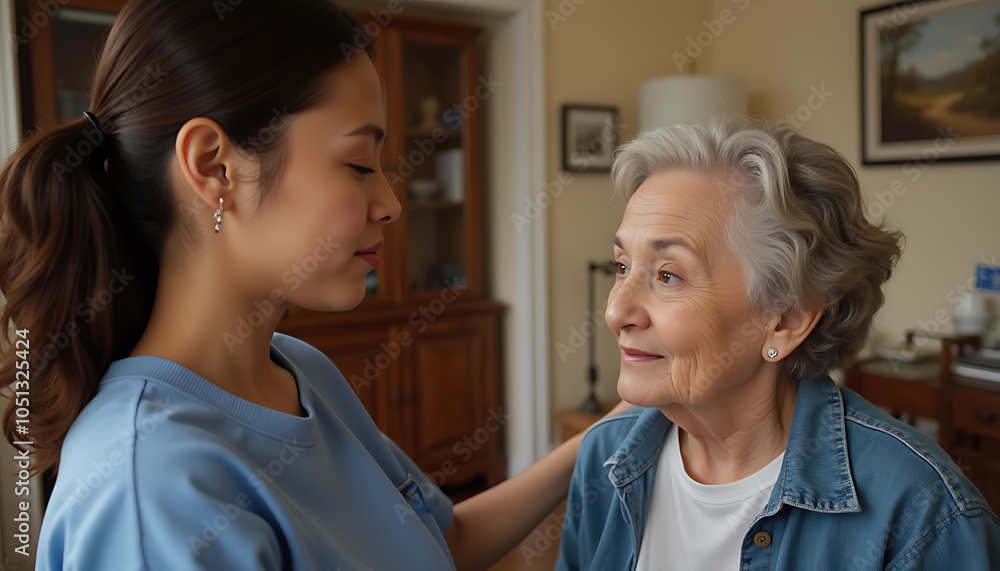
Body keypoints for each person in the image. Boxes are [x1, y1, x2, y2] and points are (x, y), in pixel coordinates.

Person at [0, 1, 625, 568]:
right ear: (214, 166)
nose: (390, 203)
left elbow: (446, 542)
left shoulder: (302, 371)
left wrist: (615, 424)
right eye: (358, 164)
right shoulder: (150, 487)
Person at [555, 118, 1000, 570]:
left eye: (669, 275)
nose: (615, 312)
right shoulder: (604, 458)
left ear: (785, 320)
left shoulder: (921, 514)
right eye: (622, 267)